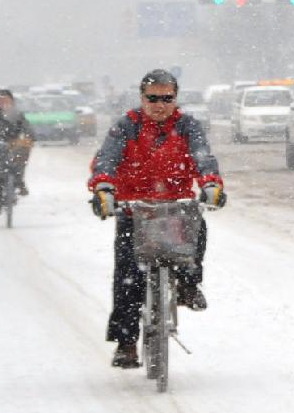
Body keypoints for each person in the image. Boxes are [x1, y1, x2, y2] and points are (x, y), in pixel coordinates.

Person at [88, 69, 225, 369]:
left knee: (197, 229)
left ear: (176, 99)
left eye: (167, 98)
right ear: (142, 98)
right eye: (153, 98)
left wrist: (211, 184)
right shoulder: (127, 126)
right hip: (134, 210)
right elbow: (106, 159)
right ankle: (126, 343)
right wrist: (103, 188)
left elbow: (204, 157)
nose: (159, 105)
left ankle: (189, 284)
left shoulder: (189, 127)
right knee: (128, 275)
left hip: (176, 208)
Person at [0, 90, 35, 214]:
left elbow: (27, 128)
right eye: (1, 101)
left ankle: (19, 182)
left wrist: (29, 137)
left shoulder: (18, 115)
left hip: (15, 145)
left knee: (19, 162)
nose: (5, 103)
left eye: (7, 100)